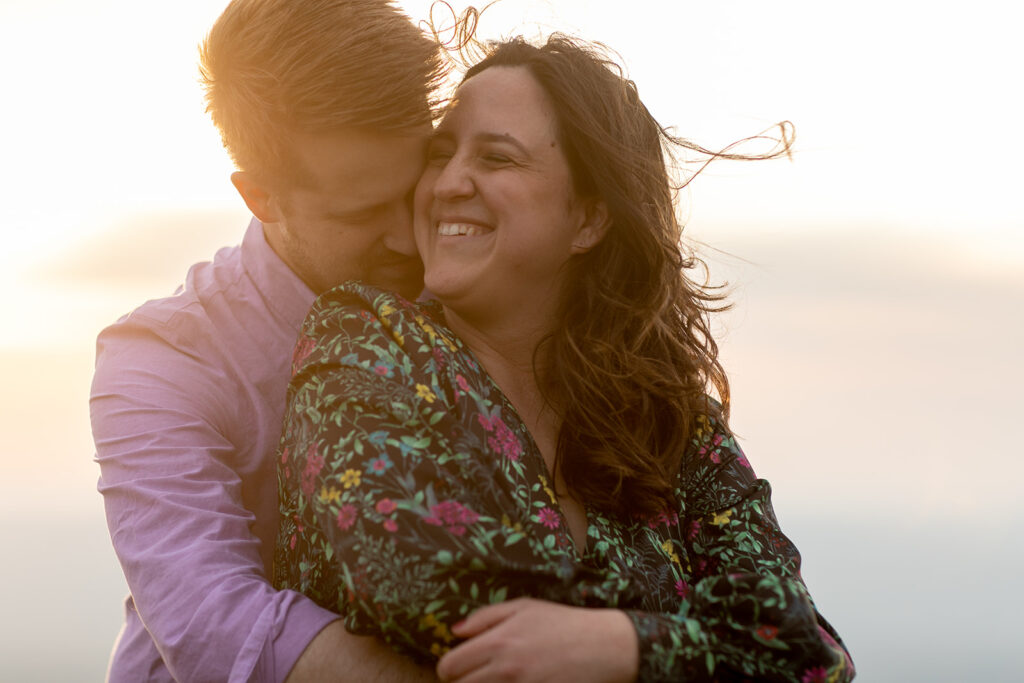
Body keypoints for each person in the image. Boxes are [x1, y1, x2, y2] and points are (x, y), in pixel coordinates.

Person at [274, 34, 855, 683]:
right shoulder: (365, 337)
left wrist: (620, 644)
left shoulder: (670, 420)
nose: (448, 183)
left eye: (496, 157)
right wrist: (701, 637)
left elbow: (813, 654)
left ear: (587, 219)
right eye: (441, 154)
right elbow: (410, 570)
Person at [89, 0, 447, 680]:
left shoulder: (472, 288)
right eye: (365, 212)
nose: (409, 238)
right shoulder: (159, 361)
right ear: (260, 197)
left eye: (417, 187)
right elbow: (218, 624)